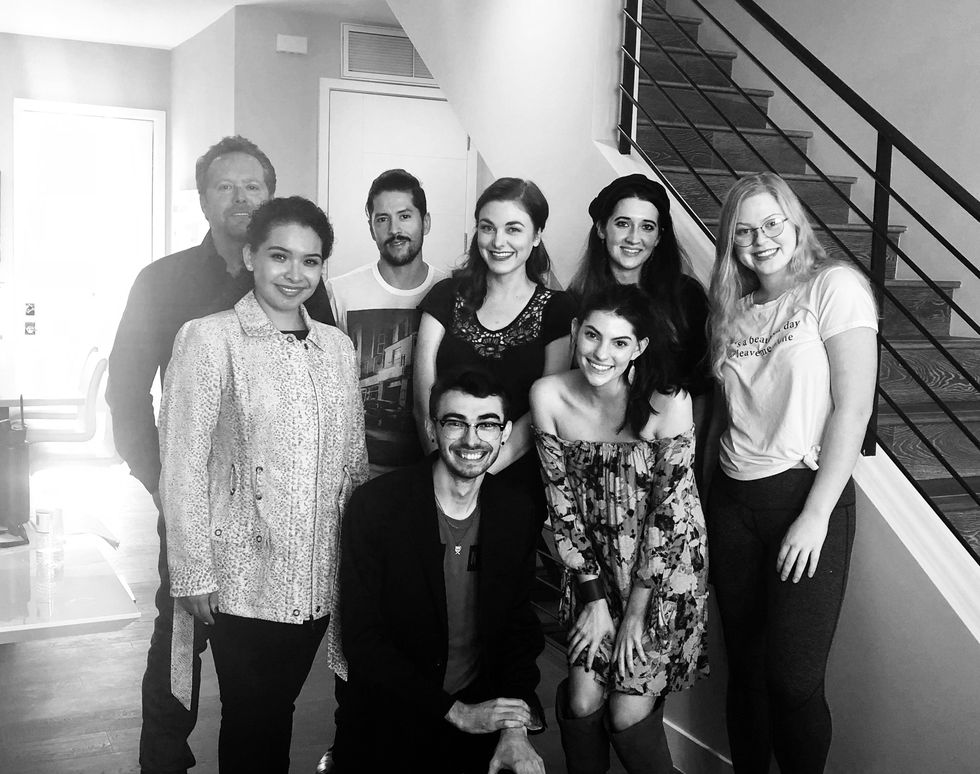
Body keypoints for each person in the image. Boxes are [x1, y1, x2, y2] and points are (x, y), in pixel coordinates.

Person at [105, 135, 334, 774]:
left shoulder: (297, 280)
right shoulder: (163, 281)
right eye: (224, 187)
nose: (239, 198)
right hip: (190, 499)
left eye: (252, 186)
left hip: (271, 517)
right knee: (179, 636)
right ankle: (164, 760)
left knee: (256, 669)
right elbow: (125, 390)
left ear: (270, 194)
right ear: (203, 199)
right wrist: (162, 483)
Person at [159, 196, 368, 774]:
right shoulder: (211, 339)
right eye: (280, 256)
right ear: (251, 256)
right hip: (242, 576)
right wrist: (192, 570)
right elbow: (181, 462)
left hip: (320, 573)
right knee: (254, 715)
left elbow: (354, 458)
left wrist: (359, 563)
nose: (295, 274)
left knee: (279, 708)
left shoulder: (336, 347)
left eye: (310, 260)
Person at [706, 172, 877, 773]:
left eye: (772, 223)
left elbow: (853, 409)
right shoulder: (731, 310)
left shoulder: (834, 287)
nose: (761, 240)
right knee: (746, 672)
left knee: (793, 681)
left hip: (803, 501)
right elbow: (731, 411)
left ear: (795, 222)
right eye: (744, 230)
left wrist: (816, 514)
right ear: (731, 243)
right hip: (732, 503)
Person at [531, 284, 709, 774]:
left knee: (625, 712)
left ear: (639, 347)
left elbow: (668, 516)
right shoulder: (549, 395)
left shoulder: (668, 400)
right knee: (583, 702)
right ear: (575, 331)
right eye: (592, 335)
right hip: (592, 567)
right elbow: (561, 504)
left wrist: (634, 613)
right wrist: (593, 600)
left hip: (663, 572)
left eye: (619, 342)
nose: (600, 353)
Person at [339, 367, 546, 774]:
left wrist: (514, 727)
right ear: (432, 429)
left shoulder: (516, 512)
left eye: (487, 424)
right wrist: (455, 712)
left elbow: (519, 630)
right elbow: (362, 640)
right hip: (392, 714)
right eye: (456, 423)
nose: (472, 439)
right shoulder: (377, 506)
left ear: (505, 433)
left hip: (478, 710)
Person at [415, 177, 574, 517]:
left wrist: (476, 474)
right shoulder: (445, 296)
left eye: (513, 229)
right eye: (488, 228)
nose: (498, 241)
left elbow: (543, 410)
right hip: (439, 473)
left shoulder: (559, 310)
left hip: (514, 482)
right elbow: (423, 396)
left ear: (537, 235)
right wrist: (446, 471)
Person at [569, 174, 712, 481]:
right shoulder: (576, 302)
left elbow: (701, 391)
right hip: (593, 461)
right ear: (601, 229)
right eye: (623, 223)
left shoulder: (686, 299)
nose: (634, 237)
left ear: (659, 237)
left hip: (669, 462)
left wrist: (689, 464)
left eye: (647, 226)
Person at [327, 168, 448, 474]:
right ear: (371, 228)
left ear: (426, 222)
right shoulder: (340, 292)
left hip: (435, 470)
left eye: (405, 216)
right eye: (382, 219)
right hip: (357, 472)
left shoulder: (451, 291)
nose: (394, 229)